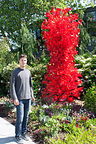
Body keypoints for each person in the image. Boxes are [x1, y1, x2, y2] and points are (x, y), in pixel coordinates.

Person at [10, 54, 35, 144]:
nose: (23, 62)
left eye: (25, 60)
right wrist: (15, 98)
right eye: (22, 60)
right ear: (19, 61)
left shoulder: (28, 72)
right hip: (19, 99)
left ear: (26, 61)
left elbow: (30, 85)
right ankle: (17, 136)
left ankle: (24, 134)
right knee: (20, 118)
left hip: (28, 98)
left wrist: (32, 95)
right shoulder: (15, 72)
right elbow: (12, 87)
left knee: (26, 117)